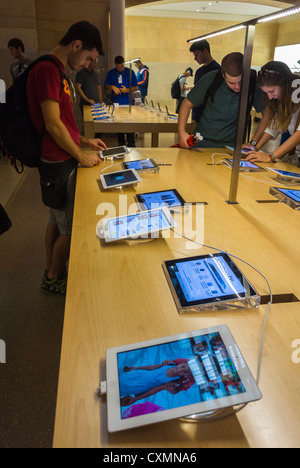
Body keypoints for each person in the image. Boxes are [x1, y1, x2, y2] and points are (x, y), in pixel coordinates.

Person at [26, 21, 107, 295]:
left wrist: (85, 141)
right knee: (71, 228)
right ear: (77, 45)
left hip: (60, 158)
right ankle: (52, 277)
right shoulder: (48, 69)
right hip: (58, 162)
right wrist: (80, 156)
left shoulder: (57, 71)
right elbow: (52, 124)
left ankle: (53, 267)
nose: (87, 64)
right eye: (89, 57)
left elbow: (63, 123)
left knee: (56, 219)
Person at [178, 52, 265, 149]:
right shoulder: (210, 79)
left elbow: (267, 115)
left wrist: (253, 142)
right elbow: (186, 104)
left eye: (241, 82)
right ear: (223, 75)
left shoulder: (253, 84)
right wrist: (181, 132)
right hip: (201, 142)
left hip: (231, 147)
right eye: (231, 83)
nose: (237, 87)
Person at [244, 61, 300, 166]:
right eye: (266, 93)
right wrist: (255, 147)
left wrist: (270, 156)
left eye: (272, 91)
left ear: (285, 85)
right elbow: (274, 126)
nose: (270, 97)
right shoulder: (285, 98)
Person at [119, 359, 195, 407]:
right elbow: (152, 367)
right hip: (138, 375)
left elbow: (154, 390)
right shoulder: (170, 364)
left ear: (186, 375)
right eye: (183, 367)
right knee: (118, 381)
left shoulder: (174, 381)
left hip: (139, 386)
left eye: (184, 372)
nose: (180, 370)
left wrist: (136, 399)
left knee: (119, 390)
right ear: (182, 363)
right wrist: (136, 368)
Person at [104, 55, 138, 147]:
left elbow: (135, 87)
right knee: (120, 129)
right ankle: (121, 146)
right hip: (116, 105)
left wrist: (127, 90)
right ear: (115, 64)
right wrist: (112, 87)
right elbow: (106, 86)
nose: (120, 69)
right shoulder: (111, 73)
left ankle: (131, 145)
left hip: (128, 105)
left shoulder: (130, 72)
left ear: (124, 63)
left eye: (122, 66)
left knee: (130, 128)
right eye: (118, 67)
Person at [189, 40, 220, 122]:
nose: (195, 58)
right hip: (197, 115)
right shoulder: (199, 71)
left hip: (209, 117)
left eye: (196, 55)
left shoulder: (217, 70)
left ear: (205, 51)